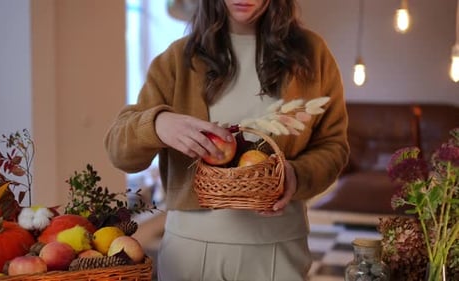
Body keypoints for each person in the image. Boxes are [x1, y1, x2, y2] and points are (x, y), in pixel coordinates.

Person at [105, 0, 349, 280]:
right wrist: (158, 123)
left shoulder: (312, 54)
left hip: (277, 247)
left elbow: (334, 145)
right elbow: (119, 151)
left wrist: (296, 174)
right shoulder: (177, 59)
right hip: (190, 251)